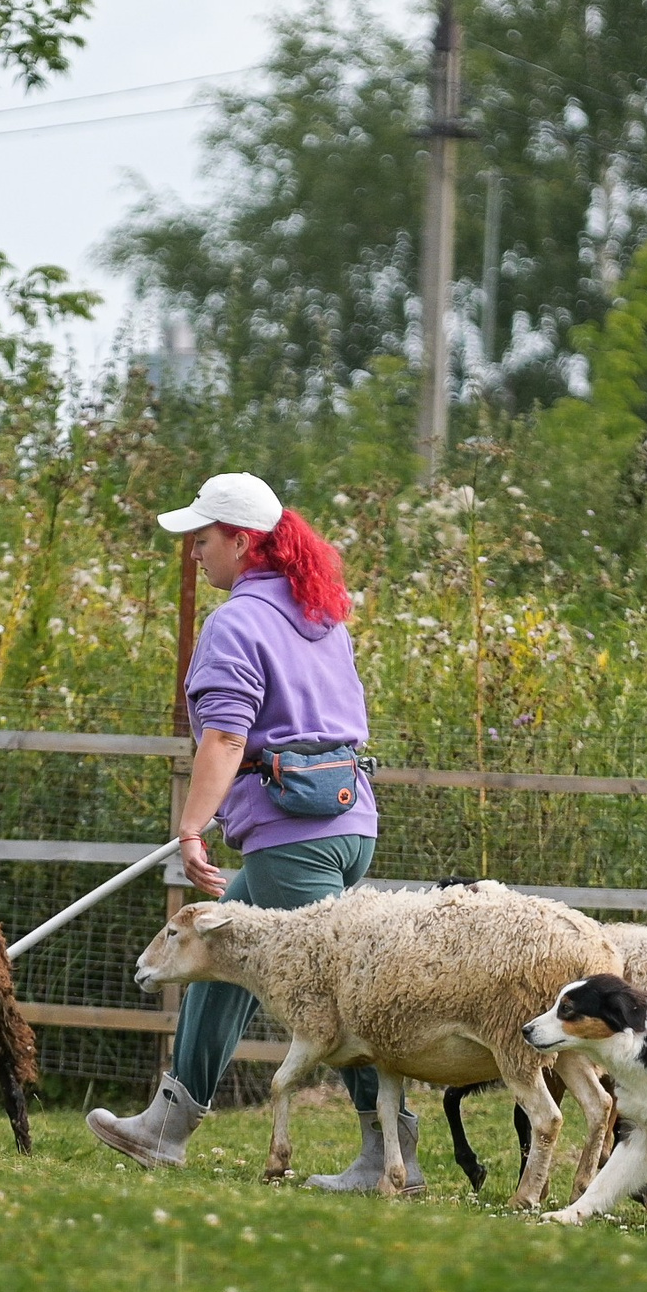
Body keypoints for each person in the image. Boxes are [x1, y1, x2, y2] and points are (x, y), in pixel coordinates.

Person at [86, 471, 418, 1192]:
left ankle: (391, 1155)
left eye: (202, 539)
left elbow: (227, 738)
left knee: (334, 993)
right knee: (220, 951)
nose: (194, 552)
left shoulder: (236, 622)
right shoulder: (321, 615)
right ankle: (167, 1124)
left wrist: (191, 827)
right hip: (348, 821)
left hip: (292, 833)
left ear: (240, 541)